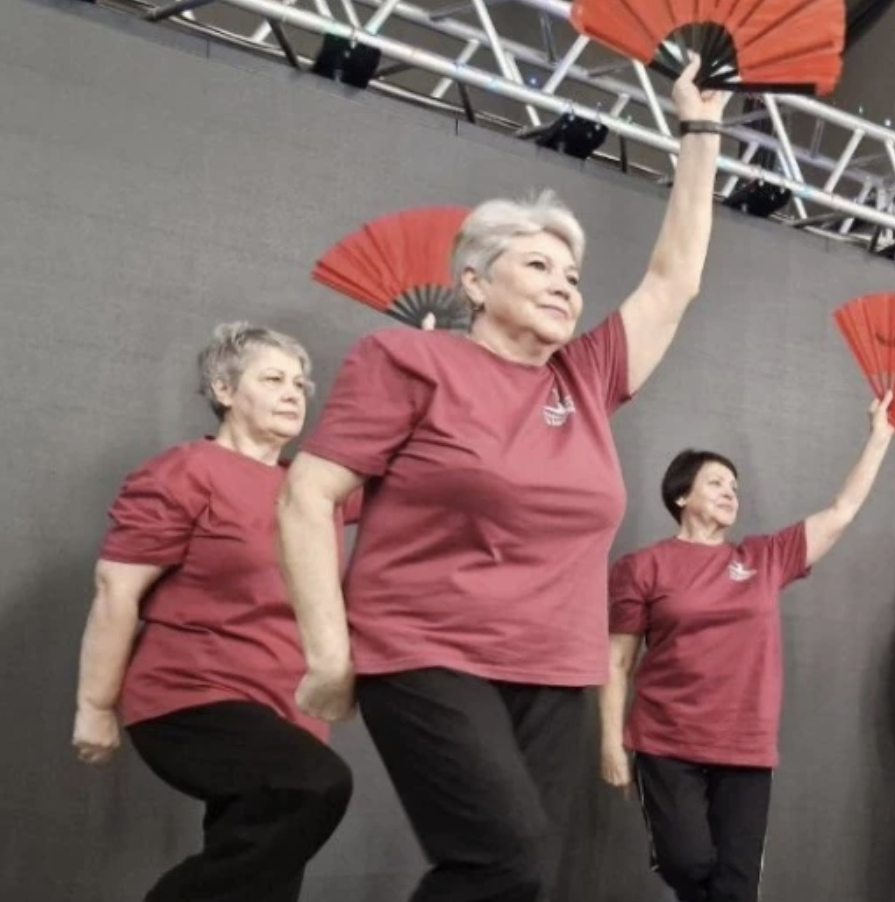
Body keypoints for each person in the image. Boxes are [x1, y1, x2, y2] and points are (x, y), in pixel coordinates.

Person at [275, 59, 732, 902]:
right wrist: (330, 653)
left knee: (520, 881)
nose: (564, 286)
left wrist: (700, 131)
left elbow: (675, 282)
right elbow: (307, 496)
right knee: (503, 861)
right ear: (475, 284)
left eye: (572, 276)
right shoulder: (408, 360)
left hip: (554, 665)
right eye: (537, 267)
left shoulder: (585, 378)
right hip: (425, 648)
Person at [72, 322, 354, 902]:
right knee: (313, 786)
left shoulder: (313, 490)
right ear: (224, 390)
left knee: (264, 882)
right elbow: (115, 590)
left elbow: (413, 464)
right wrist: (94, 707)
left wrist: (427, 370)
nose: (293, 394)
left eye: (300, 384)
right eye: (272, 379)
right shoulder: (184, 473)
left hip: (289, 711)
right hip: (191, 698)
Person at [596, 395, 895, 902]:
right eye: (716, 482)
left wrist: (879, 439)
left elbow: (841, 513)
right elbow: (617, 660)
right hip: (667, 741)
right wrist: (610, 741)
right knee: (688, 861)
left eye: (734, 487)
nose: (730, 493)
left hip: (745, 745)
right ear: (681, 495)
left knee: (735, 889)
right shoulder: (642, 567)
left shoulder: (763, 557)